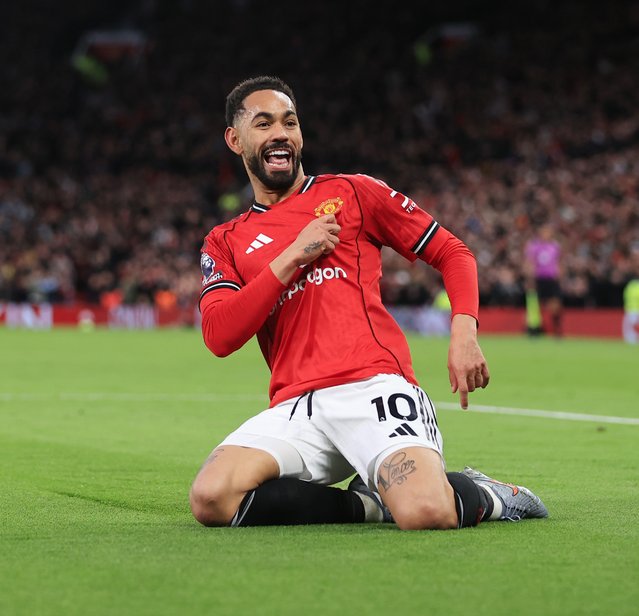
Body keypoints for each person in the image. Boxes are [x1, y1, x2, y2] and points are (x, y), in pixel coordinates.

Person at [189, 76, 548, 529]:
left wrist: (464, 330)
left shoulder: (354, 192)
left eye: (290, 122)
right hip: (298, 406)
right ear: (234, 139)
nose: (280, 133)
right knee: (212, 498)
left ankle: (490, 495)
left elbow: (453, 253)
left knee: (425, 513)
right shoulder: (224, 240)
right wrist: (292, 256)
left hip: (375, 388)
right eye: (263, 123)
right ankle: (367, 504)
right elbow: (220, 335)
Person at [524, 223, 563, 337]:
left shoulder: (555, 246)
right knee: (536, 305)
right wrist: (530, 278)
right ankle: (534, 329)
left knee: (555, 304)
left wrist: (559, 275)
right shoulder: (534, 246)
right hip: (538, 278)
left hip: (551, 279)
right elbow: (530, 263)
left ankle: (557, 328)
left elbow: (558, 262)